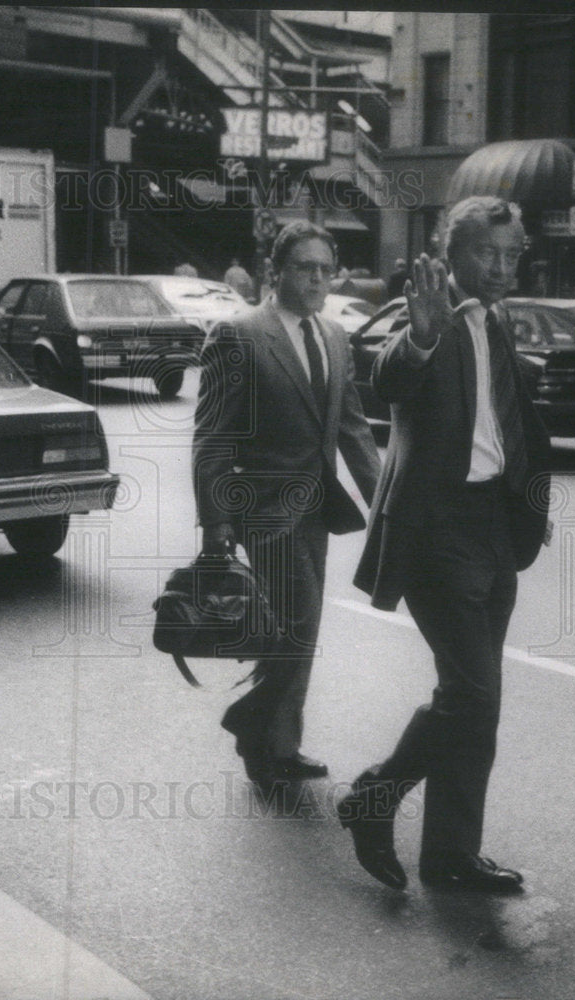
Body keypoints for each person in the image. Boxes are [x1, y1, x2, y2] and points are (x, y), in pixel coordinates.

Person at [341, 196, 551, 893]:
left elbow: (506, 421)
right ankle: (374, 797)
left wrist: (526, 502)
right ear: (449, 253)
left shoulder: (499, 320)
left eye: (512, 253)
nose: (500, 266)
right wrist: (423, 336)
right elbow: (391, 380)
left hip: (494, 524)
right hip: (438, 529)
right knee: (471, 691)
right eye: (487, 253)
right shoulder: (425, 312)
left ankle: (451, 854)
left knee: (476, 699)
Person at [193, 221, 380, 787]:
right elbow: (212, 438)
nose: (318, 278)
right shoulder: (240, 335)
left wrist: (387, 503)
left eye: (326, 268)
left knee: (301, 630)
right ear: (277, 271)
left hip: (316, 510)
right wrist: (216, 524)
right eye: (306, 267)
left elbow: (353, 431)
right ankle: (253, 733)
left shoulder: (335, 337)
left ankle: (280, 742)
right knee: (292, 628)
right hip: (263, 510)